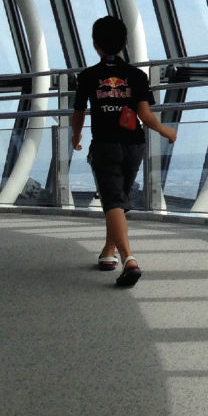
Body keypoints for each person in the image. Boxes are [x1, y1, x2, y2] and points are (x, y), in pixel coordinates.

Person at [68, 16, 176, 289]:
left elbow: (79, 113)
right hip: (133, 145)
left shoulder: (88, 76)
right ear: (125, 43)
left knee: (113, 201)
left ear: (95, 45)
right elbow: (145, 115)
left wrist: (76, 136)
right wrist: (165, 130)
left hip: (105, 145)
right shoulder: (137, 76)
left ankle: (129, 259)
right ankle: (108, 251)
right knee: (118, 200)